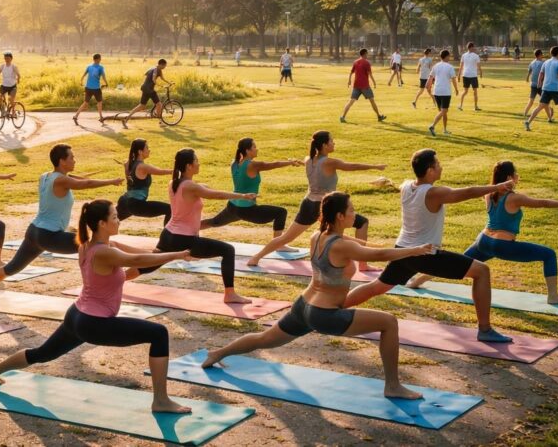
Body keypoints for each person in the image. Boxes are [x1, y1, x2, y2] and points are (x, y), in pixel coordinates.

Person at [201, 192, 431, 399]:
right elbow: (379, 254)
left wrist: (363, 241)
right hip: (324, 314)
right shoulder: (342, 246)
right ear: (340, 216)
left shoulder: (317, 236)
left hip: (303, 306)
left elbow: (351, 242)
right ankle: (393, 385)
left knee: (265, 339)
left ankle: (218, 352)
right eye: (351, 210)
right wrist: (415, 250)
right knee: (388, 322)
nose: (354, 213)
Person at [0, 199, 193, 414]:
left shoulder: (89, 245)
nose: (119, 221)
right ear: (101, 223)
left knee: (42, 354)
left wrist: (164, 252)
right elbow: (137, 259)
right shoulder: (105, 253)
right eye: (115, 217)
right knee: (159, 333)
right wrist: (176, 255)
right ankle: (161, 400)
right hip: (94, 324)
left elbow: (146, 255)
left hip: (78, 315)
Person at [342, 148, 517, 343]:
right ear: (430, 170)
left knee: (377, 286)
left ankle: (334, 308)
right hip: (424, 255)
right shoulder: (434, 193)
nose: (441, 166)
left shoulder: (407, 186)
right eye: (438, 164)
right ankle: (485, 329)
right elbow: (466, 192)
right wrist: (496, 187)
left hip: (402, 251)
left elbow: (404, 185)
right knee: (482, 271)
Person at [406, 161, 558, 305]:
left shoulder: (489, 195)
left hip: (484, 241)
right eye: (515, 174)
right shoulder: (514, 198)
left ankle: (417, 281)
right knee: (549, 254)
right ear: (508, 178)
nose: (518, 176)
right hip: (502, 245)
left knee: (457, 263)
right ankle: (553, 296)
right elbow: (543, 203)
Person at [0, 144, 122, 300]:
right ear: (62, 161)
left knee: (12, 268)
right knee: (95, 246)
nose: (74, 160)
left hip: (34, 231)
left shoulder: (45, 176)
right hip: (49, 235)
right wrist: (111, 181)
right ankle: (97, 291)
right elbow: (85, 184)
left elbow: (77, 179)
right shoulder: (61, 181)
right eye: (72, 157)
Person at [134, 148, 257, 304]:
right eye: (196, 161)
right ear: (189, 166)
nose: (199, 163)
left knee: (150, 264)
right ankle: (230, 294)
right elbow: (216, 195)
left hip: (169, 234)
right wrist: (242, 196)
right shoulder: (191, 187)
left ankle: (118, 279)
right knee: (228, 250)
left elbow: (196, 190)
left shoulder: (174, 183)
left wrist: (202, 186)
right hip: (184, 239)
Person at [249, 130, 384, 269]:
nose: (334, 143)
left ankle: (256, 257)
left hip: (308, 203)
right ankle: (362, 263)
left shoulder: (308, 159)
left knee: (287, 237)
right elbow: (352, 167)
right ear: (325, 145)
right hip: (324, 205)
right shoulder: (330, 162)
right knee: (362, 223)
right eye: (331, 141)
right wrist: (375, 166)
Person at [200, 138, 296, 240]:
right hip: (247, 209)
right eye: (254, 147)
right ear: (247, 150)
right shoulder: (253, 165)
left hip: (232, 206)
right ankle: (278, 244)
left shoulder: (234, 163)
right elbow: (273, 164)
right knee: (280, 213)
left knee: (214, 222)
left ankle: (186, 233)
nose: (257, 149)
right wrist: (291, 162)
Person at [116, 139, 173, 225]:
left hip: (125, 201)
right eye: (147, 147)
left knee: (108, 221)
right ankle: (168, 237)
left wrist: (126, 168)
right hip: (136, 205)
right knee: (169, 209)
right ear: (140, 151)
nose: (149, 150)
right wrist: (177, 170)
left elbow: (130, 182)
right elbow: (161, 171)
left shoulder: (130, 163)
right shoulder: (142, 167)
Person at [526, 46, 558, 131]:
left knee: (540, 107)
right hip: (555, 89)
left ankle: (528, 122)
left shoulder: (546, 62)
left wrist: (539, 83)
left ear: (551, 53)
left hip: (545, 88)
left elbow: (541, 74)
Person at [340, 48, 385, 123]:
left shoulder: (355, 62)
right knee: (372, 101)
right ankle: (379, 116)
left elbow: (351, 72)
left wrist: (349, 81)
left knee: (351, 102)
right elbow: (370, 74)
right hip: (365, 86)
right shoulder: (366, 63)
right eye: (367, 53)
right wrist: (374, 82)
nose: (368, 55)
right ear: (364, 54)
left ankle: (342, 117)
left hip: (356, 85)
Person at [123, 58, 170, 126]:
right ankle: (160, 122)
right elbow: (154, 79)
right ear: (161, 65)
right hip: (149, 89)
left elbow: (162, 78)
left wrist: (169, 83)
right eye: (164, 66)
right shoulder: (156, 70)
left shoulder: (153, 68)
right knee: (159, 104)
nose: (165, 67)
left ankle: (126, 119)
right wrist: (161, 86)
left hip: (144, 88)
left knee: (141, 106)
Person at [426, 49, 458, 136]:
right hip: (445, 92)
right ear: (447, 56)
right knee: (444, 111)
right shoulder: (450, 67)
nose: (450, 57)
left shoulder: (436, 66)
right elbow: (454, 80)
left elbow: (430, 77)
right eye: (449, 56)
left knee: (443, 111)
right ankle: (432, 126)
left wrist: (428, 86)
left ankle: (445, 130)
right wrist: (456, 89)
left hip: (436, 91)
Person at [73, 53, 107, 125]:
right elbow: (103, 77)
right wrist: (106, 83)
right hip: (96, 88)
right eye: (100, 58)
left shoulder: (89, 66)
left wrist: (81, 81)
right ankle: (101, 117)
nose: (100, 60)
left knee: (85, 103)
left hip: (88, 87)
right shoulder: (100, 67)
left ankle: (75, 116)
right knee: (100, 102)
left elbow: (83, 75)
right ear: (97, 59)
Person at [523, 49, 553, 123]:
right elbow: (544, 73)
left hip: (533, 84)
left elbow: (530, 71)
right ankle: (549, 117)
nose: (542, 55)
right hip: (540, 85)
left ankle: (525, 113)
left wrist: (527, 78)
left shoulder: (532, 62)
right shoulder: (543, 63)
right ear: (539, 55)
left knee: (531, 100)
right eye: (542, 54)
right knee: (545, 102)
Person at [457, 42, 482, 111]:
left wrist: (459, 75)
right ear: (471, 47)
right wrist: (481, 72)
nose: (474, 48)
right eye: (473, 47)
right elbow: (478, 66)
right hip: (473, 75)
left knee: (465, 91)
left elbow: (461, 66)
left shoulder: (464, 55)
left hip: (465, 75)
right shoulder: (476, 56)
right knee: (475, 91)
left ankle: (460, 106)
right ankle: (475, 107)